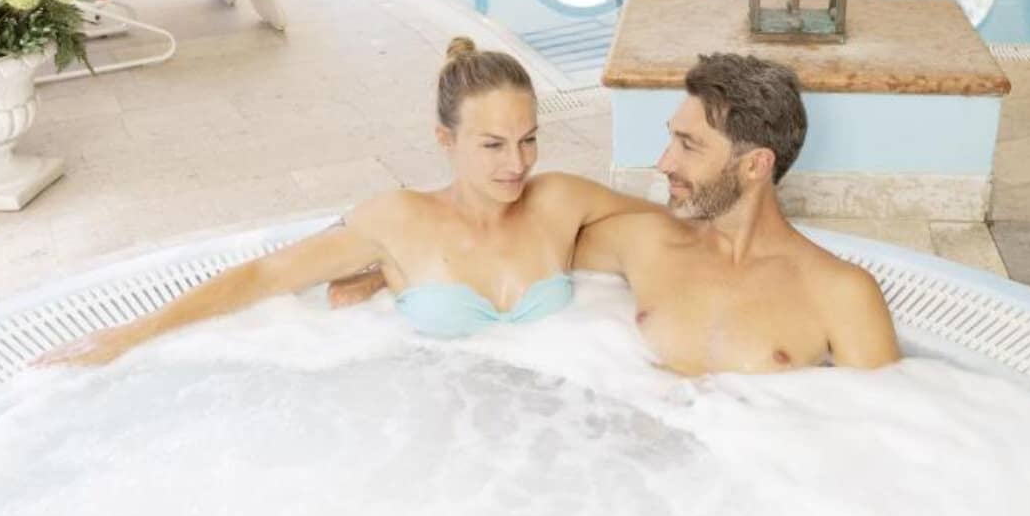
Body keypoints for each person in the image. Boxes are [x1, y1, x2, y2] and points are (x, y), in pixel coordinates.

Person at [40, 38, 657, 366]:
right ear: (445, 140)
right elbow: (266, 275)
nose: (517, 164)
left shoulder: (559, 200)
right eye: (493, 145)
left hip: (557, 417)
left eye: (528, 140)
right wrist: (132, 334)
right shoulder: (399, 220)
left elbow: (670, 230)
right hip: (447, 431)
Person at [334, 53, 901, 374]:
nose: (663, 162)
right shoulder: (646, 242)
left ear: (755, 165)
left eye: (689, 146)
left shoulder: (841, 293)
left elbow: (878, 451)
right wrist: (389, 270)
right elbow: (504, 248)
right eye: (671, 138)